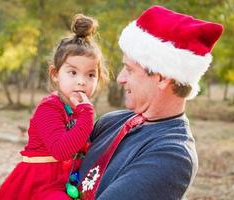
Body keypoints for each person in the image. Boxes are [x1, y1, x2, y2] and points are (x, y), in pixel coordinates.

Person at [78, 5, 223, 200]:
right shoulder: (111, 121)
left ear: (162, 78)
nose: (120, 78)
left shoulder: (172, 156)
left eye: (129, 70)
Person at [0, 14, 108, 200]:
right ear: (55, 74)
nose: (81, 82)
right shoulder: (49, 109)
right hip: (39, 185)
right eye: (72, 72)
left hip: (65, 183)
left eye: (90, 75)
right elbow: (61, 150)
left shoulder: (78, 110)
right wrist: (87, 115)